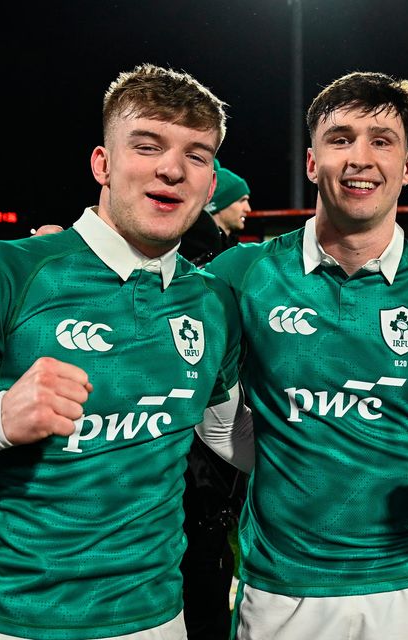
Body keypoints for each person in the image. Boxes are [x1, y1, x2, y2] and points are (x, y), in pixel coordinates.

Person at [0, 63, 244, 640]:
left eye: (197, 155)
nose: (172, 168)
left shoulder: (214, 300)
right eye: (147, 145)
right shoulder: (5, 271)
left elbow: (223, 432)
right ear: (103, 164)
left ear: (210, 182)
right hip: (18, 622)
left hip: (161, 620)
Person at [197, 72, 408, 639]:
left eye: (381, 140)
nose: (360, 158)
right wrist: (270, 457)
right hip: (280, 588)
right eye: (341, 139)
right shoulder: (243, 275)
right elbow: (201, 398)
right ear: (311, 162)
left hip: (401, 586)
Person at [177, 162, 252, 640]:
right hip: (199, 447)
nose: (248, 206)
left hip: (213, 429)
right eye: (239, 197)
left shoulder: (218, 252)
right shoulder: (195, 254)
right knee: (202, 556)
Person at [179, 159, 251, 266]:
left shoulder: (230, 244)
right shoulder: (193, 245)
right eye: (242, 201)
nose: (248, 209)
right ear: (219, 204)